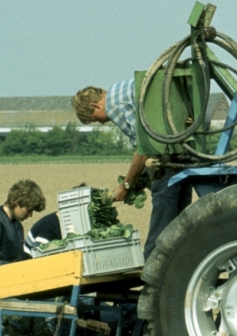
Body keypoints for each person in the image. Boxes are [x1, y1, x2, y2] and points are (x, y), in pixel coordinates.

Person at [72, 81, 191, 258]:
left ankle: (152, 262)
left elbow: (143, 148)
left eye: (96, 118)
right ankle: (181, 257)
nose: (102, 123)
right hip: (180, 146)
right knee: (181, 210)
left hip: (168, 151)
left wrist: (126, 185)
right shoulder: (119, 89)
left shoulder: (114, 106)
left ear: (95, 105)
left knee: (163, 208)